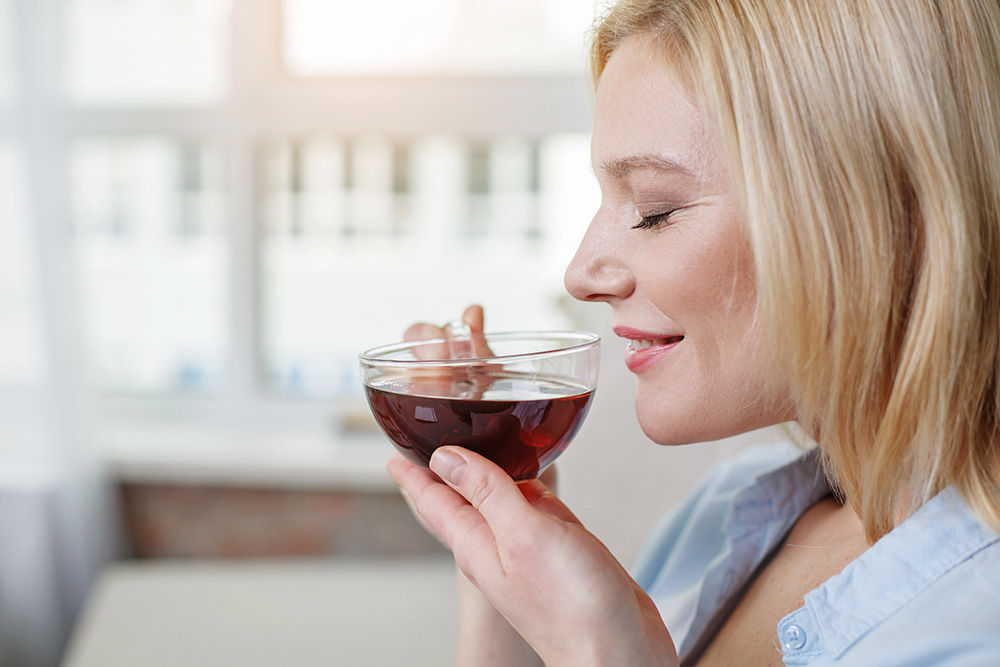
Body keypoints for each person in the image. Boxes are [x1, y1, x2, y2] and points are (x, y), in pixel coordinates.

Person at [387, 0, 1000, 664]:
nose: (580, 274)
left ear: (885, 215)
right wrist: (497, 566)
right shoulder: (719, 517)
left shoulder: (971, 629)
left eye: (654, 210)